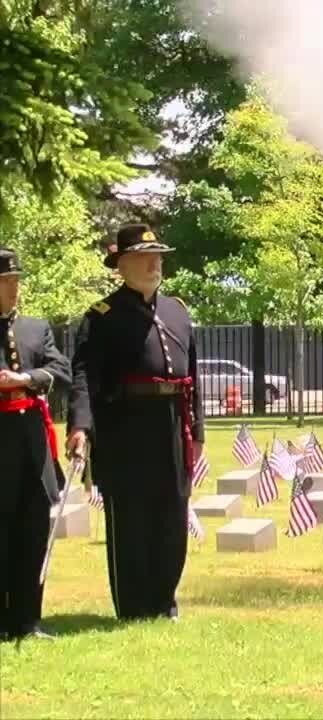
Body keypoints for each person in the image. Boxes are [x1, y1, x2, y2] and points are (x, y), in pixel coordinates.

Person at [66, 225, 204, 622]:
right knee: (132, 519)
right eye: (144, 257)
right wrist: (80, 426)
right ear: (122, 265)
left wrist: (198, 432)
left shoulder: (177, 310)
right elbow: (84, 378)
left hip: (171, 425)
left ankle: (165, 601)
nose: (153, 264)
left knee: (171, 514)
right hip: (125, 428)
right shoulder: (101, 317)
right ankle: (133, 605)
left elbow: (193, 378)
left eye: (158, 256)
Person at [0, 248, 71, 642]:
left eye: (16, 281)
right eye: (6, 282)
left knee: (31, 531)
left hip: (31, 443)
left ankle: (28, 620)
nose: (14, 289)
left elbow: (58, 369)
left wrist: (24, 379)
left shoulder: (35, 328)